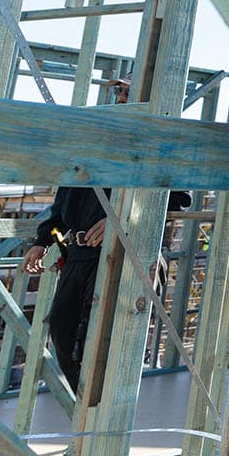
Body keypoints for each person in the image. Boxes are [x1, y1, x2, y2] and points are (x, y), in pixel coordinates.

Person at [21, 78, 192, 390]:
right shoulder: (93, 143)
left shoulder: (155, 144)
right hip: (77, 255)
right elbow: (62, 204)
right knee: (61, 333)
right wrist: (43, 240)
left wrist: (122, 219)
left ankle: (100, 422)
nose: (121, 99)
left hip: (123, 254)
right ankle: (87, 414)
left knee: (98, 343)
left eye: (128, 93)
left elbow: (177, 198)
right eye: (120, 93)